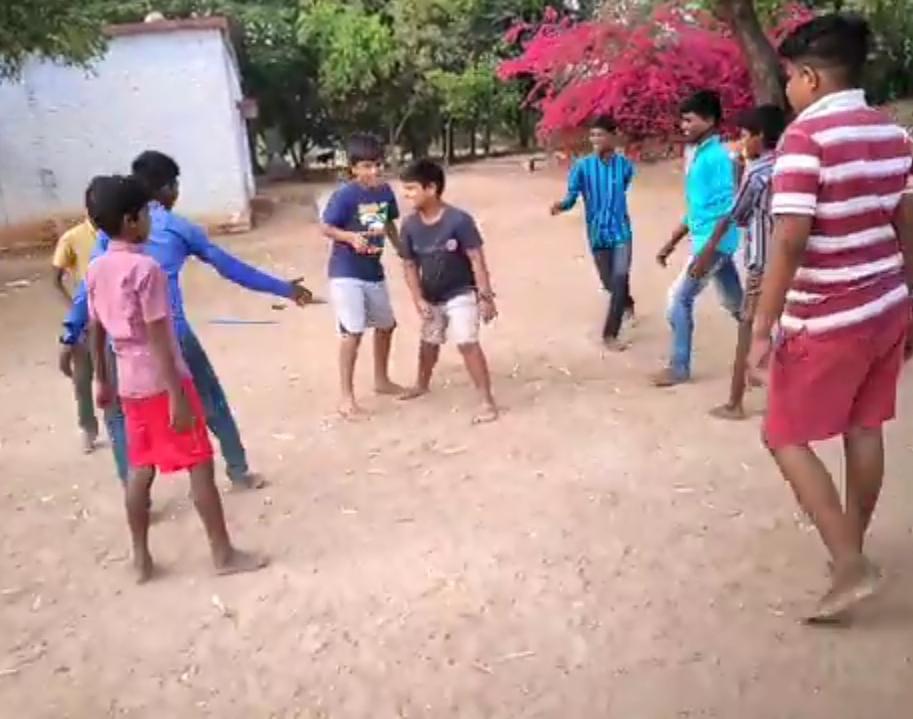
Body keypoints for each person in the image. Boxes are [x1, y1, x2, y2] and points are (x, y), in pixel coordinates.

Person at [748, 14, 913, 621]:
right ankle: (853, 547)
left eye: (791, 77)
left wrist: (761, 328)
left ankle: (849, 564)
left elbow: (790, 239)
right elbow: (907, 225)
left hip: (828, 316)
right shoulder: (894, 134)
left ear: (811, 78)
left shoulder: (804, 139)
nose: (789, 89)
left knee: (783, 435)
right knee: (864, 428)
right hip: (886, 307)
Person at [59, 151, 312, 489]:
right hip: (171, 335)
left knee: (120, 417)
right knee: (211, 402)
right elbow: (230, 267)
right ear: (165, 188)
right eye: (175, 185)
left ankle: (133, 489)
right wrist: (284, 289)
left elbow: (85, 294)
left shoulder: (110, 235)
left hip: (121, 345)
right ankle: (238, 471)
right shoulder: (178, 228)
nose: (177, 193)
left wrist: (69, 333)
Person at [86, 175, 267, 583]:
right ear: (132, 220)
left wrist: (101, 378)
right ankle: (222, 553)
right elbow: (159, 338)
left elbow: (95, 328)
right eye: (147, 212)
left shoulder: (96, 269)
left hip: (128, 382)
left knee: (140, 468)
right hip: (162, 382)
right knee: (199, 463)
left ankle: (141, 558)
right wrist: (177, 396)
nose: (153, 219)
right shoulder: (146, 269)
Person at [698, 105, 786, 420]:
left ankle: (735, 402)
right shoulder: (786, 165)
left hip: (761, 263)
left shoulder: (757, 173)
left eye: (746, 135)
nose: (742, 141)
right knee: (781, 327)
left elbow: (735, 215)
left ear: (760, 136)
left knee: (747, 329)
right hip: (787, 261)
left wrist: (707, 251)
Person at [397, 159, 499, 424]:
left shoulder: (459, 221)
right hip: (431, 295)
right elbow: (409, 265)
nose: (406, 195)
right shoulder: (409, 226)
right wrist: (418, 299)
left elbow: (476, 258)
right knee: (429, 341)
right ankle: (421, 384)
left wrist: (485, 297)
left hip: (461, 291)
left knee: (466, 341)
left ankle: (486, 401)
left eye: (411, 188)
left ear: (431, 188)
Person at [653, 90, 744, 386]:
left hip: (713, 244)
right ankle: (767, 351)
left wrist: (707, 253)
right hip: (710, 241)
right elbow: (698, 209)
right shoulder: (699, 155)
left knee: (678, 300)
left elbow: (727, 210)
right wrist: (672, 242)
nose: (684, 126)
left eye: (690, 120)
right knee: (737, 305)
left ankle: (679, 367)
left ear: (710, 120)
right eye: (683, 120)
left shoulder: (717, 158)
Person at [321, 133, 404, 418]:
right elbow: (326, 227)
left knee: (386, 325)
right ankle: (346, 398)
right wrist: (349, 237)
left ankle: (382, 380)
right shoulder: (345, 195)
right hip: (346, 272)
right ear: (354, 168)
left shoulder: (385, 192)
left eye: (378, 164)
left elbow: (388, 223)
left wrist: (401, 249)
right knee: (352, 332)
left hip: (373, 270)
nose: (375, 171)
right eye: (367, 166)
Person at [550, 115, 636, 349]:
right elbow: (572, 196)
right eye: (593, 135)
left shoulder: (625, 166)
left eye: (600, 135)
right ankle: (626, 302)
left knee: (620, 276)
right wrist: (561, 205)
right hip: (597, 233)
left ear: (613, 136)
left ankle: (610, 334)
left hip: (621, 231)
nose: (595, 139)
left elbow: (624, 186)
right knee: (610, 283)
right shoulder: (582, 167)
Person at [53, 179, 104, 453]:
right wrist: (73, 309)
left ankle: (121, 425)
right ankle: (87, 426)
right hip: (85, 314)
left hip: (111, 311)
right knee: (83, 376)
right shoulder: (72, 238)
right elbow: (55, 279)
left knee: (116, 371)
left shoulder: (115, 234)